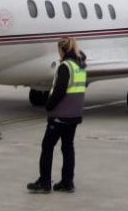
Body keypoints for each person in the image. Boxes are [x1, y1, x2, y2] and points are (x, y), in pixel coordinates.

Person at [27, 37, 87, 194]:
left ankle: (44, 182)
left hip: (61, 115)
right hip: (74, 115)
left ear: (62, 50)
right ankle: (67, 182)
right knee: (68, 147)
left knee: (47, 147)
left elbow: (59, 90)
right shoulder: (80, 66)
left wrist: (48, 106)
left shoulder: (65, 66)